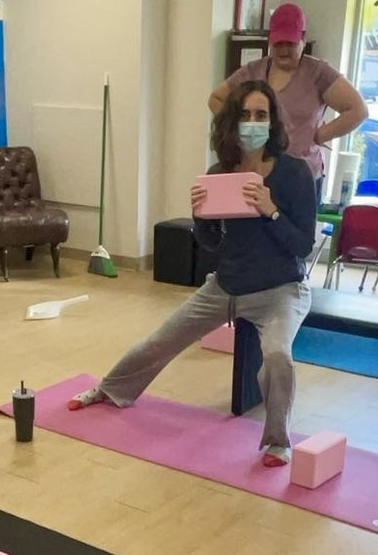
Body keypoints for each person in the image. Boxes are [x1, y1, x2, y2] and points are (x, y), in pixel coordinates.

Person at [69, 81, 316, 467]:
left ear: (272, 122)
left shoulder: (294, 174)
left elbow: (302, 245)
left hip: (280, 289)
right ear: (231, 122)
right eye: (245, 115)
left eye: (261, 115)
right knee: (159, 341)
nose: (252, 123)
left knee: (278, 356)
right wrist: (201, 217)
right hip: (226, 286)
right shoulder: (220, 172)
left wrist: (271, 210)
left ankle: (276, 441)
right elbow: (213, 243)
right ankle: (110, 388)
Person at [209, 2, 367, 205]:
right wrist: (236, 127)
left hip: (301, 175)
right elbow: (216, 99)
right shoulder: (253, 71)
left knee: (291, 231)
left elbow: (358, 110)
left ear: (303, 39)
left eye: (290, 44)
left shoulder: (318, 73)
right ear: (269, 41)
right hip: (258, 171)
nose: (284, 50)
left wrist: (320, 135)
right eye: (278, 44)